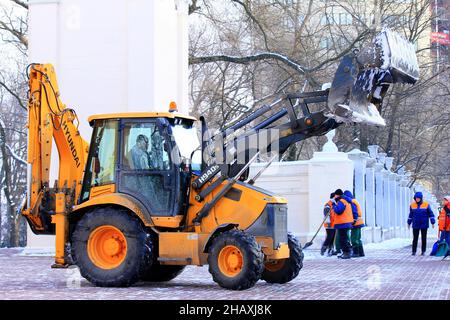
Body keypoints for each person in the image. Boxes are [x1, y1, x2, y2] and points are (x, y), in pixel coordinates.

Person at [407, 191, 435, 256]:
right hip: (415, 224)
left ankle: (423, 251)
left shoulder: (426, 205)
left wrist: (432, 222)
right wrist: (409, 223)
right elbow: (410, 215)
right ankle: (413, 251)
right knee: (415, 238)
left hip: (424, 224)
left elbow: (431, 213)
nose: (417, 199)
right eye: (416, 198)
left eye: (418, 198)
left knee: (424, 238)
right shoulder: (412, 205)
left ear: (421, 198)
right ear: (415, 198)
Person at [332, 189, 357, 259]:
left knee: (343, 239)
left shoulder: (342, 201)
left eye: (335, 195)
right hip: (345, 223)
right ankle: (346, 252)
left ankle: (346, 253)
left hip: (342, 223)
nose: (335, 196)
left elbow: (338, 210)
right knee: (344, 238)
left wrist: (334, 205)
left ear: (338, 195)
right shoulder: (346, 200)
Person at [344, 190, 365, 258]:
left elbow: (354, 212)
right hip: (359, 222)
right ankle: (361, 252)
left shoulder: (352, 202)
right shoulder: (354, 201)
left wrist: (354, 220)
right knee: (358, 238)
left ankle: (356, 253)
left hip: (356, 222)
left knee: (354, 239)